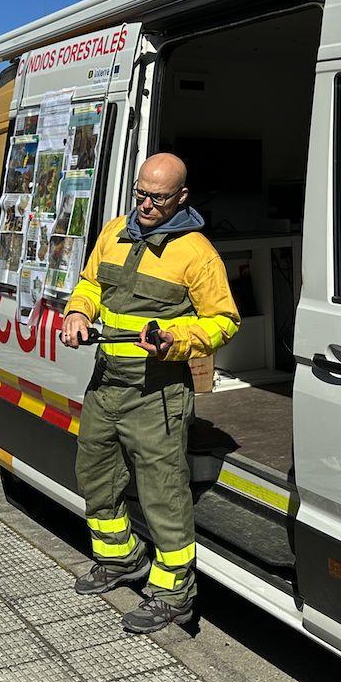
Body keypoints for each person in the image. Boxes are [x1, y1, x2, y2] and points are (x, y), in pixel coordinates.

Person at [60, 153, 240, 633]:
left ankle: (174, 594)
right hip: (106, 382)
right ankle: (119, 559)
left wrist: (176, 341)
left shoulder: (197, 253)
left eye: (157, 198)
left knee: (163, 495)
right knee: (95, 475)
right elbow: (90, 284)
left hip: (157, 394)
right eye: (140, 193)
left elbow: (225, 321)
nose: (145, 204)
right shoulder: (115, 232)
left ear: (181, 197)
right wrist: (78, 312)